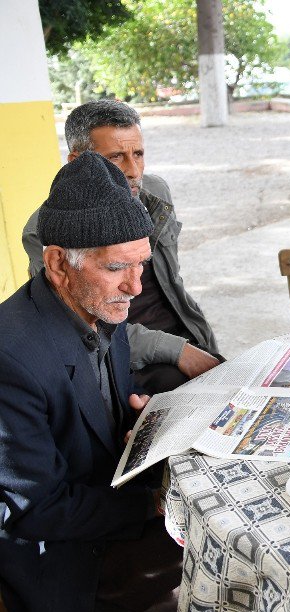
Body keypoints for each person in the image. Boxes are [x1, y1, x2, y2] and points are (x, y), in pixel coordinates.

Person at [0, 153, 237, 612]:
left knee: (229, 559)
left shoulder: (95, 303)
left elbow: (100, 416)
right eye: (117, 267)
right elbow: (36, 509)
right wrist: (153, 502)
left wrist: (150, 423)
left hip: (105, 501)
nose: (135, 287)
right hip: (65, 558)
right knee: (211, 595)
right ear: (59, 263)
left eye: (142, 265)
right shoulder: (10, 357)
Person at [23, 99, 221, 394]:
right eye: (116, 157)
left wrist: (193, 343)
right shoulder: (47, 229)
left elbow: (171, 284)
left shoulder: (154, 193)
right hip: (120, 353)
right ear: (78, 162)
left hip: (185, 332)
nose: (133, 170)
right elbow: (79, 325)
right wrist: (175, 350)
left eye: (138, 154)